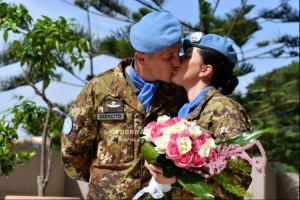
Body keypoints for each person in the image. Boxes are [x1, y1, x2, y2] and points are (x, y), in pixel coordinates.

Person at [60, 11, 187, 199]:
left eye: (178, 54)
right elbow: (73, 151)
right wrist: (106, 182)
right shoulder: (101, 89)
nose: (177, 62)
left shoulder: (179, 94)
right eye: (169, 57)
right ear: (142, 58)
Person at [146, 32, 253, 199]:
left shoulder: (224, 110)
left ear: (205, 70)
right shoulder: (181, 111)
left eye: (187, 56)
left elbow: (237, 180)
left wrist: (176, 181)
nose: (178, 60)